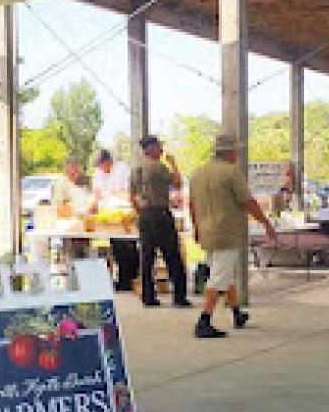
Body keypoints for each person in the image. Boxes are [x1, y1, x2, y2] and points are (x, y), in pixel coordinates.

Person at [188, 134, 276, 339]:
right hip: (226, 231)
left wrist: (196, 227)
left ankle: (237, 313)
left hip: (207, 230)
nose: (237, 154)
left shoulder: (198, 173)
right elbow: (247, 201)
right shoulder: (232, 172)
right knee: (219, 276)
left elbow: (192, 204)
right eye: (236, 150)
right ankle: (204, 320)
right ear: (229, 152)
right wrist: (265, 222)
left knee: (223, 272)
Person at [130, 135, 189, 308]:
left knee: (147, 257)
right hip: (160, 212)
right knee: (172, 255)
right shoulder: (158, 167)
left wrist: (140, 211)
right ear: (152, 149)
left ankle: (148, 295)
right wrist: (174, 164)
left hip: (144, 213)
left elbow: (131, 195)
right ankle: (179, 295)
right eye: (159, 147)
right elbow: (177, 183)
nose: (161, 150)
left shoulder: (136, 169)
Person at [90, 149, 138, 292]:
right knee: (116, 247)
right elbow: (96, 193)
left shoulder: (122, 169)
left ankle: (129, 279)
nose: (101, 168)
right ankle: (123, 279)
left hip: (123, 211)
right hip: (108, 213)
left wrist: (115, 198)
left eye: (102, 164)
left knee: (127, 247)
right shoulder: (98, 174)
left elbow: (128, 191)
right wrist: (94, 204)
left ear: (108, 161)